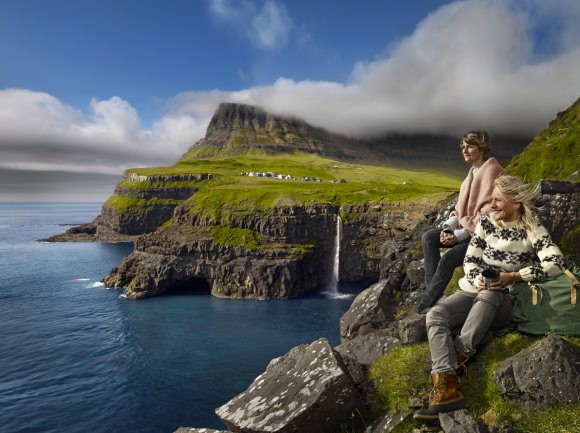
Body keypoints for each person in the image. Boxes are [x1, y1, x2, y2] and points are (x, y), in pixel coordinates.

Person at [413, 175, 565, 421]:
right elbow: (470, 259)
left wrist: (514, 276)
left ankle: (459, 356)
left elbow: (556, 264)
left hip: (507, 299)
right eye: (491, 199)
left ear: (516, 203)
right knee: (435, 315)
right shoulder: (486, 223)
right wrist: (477, 278)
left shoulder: (532, 228)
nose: (491, 205)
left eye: (497, 200)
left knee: (489, 296)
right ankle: (447, 389)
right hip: (474, 289)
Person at [415, 130, 504, 314]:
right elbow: (460, 211)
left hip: (484, 237)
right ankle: (434, 294)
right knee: (429, 238)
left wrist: (460, 235)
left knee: (447, 259)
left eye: (469, 146)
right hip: (467, 231)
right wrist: (449, 229)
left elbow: (491, 213)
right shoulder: (470, 175)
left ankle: (425, 304)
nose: (464, 150)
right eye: (462, 147)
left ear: (482, 148)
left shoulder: (493, 171)